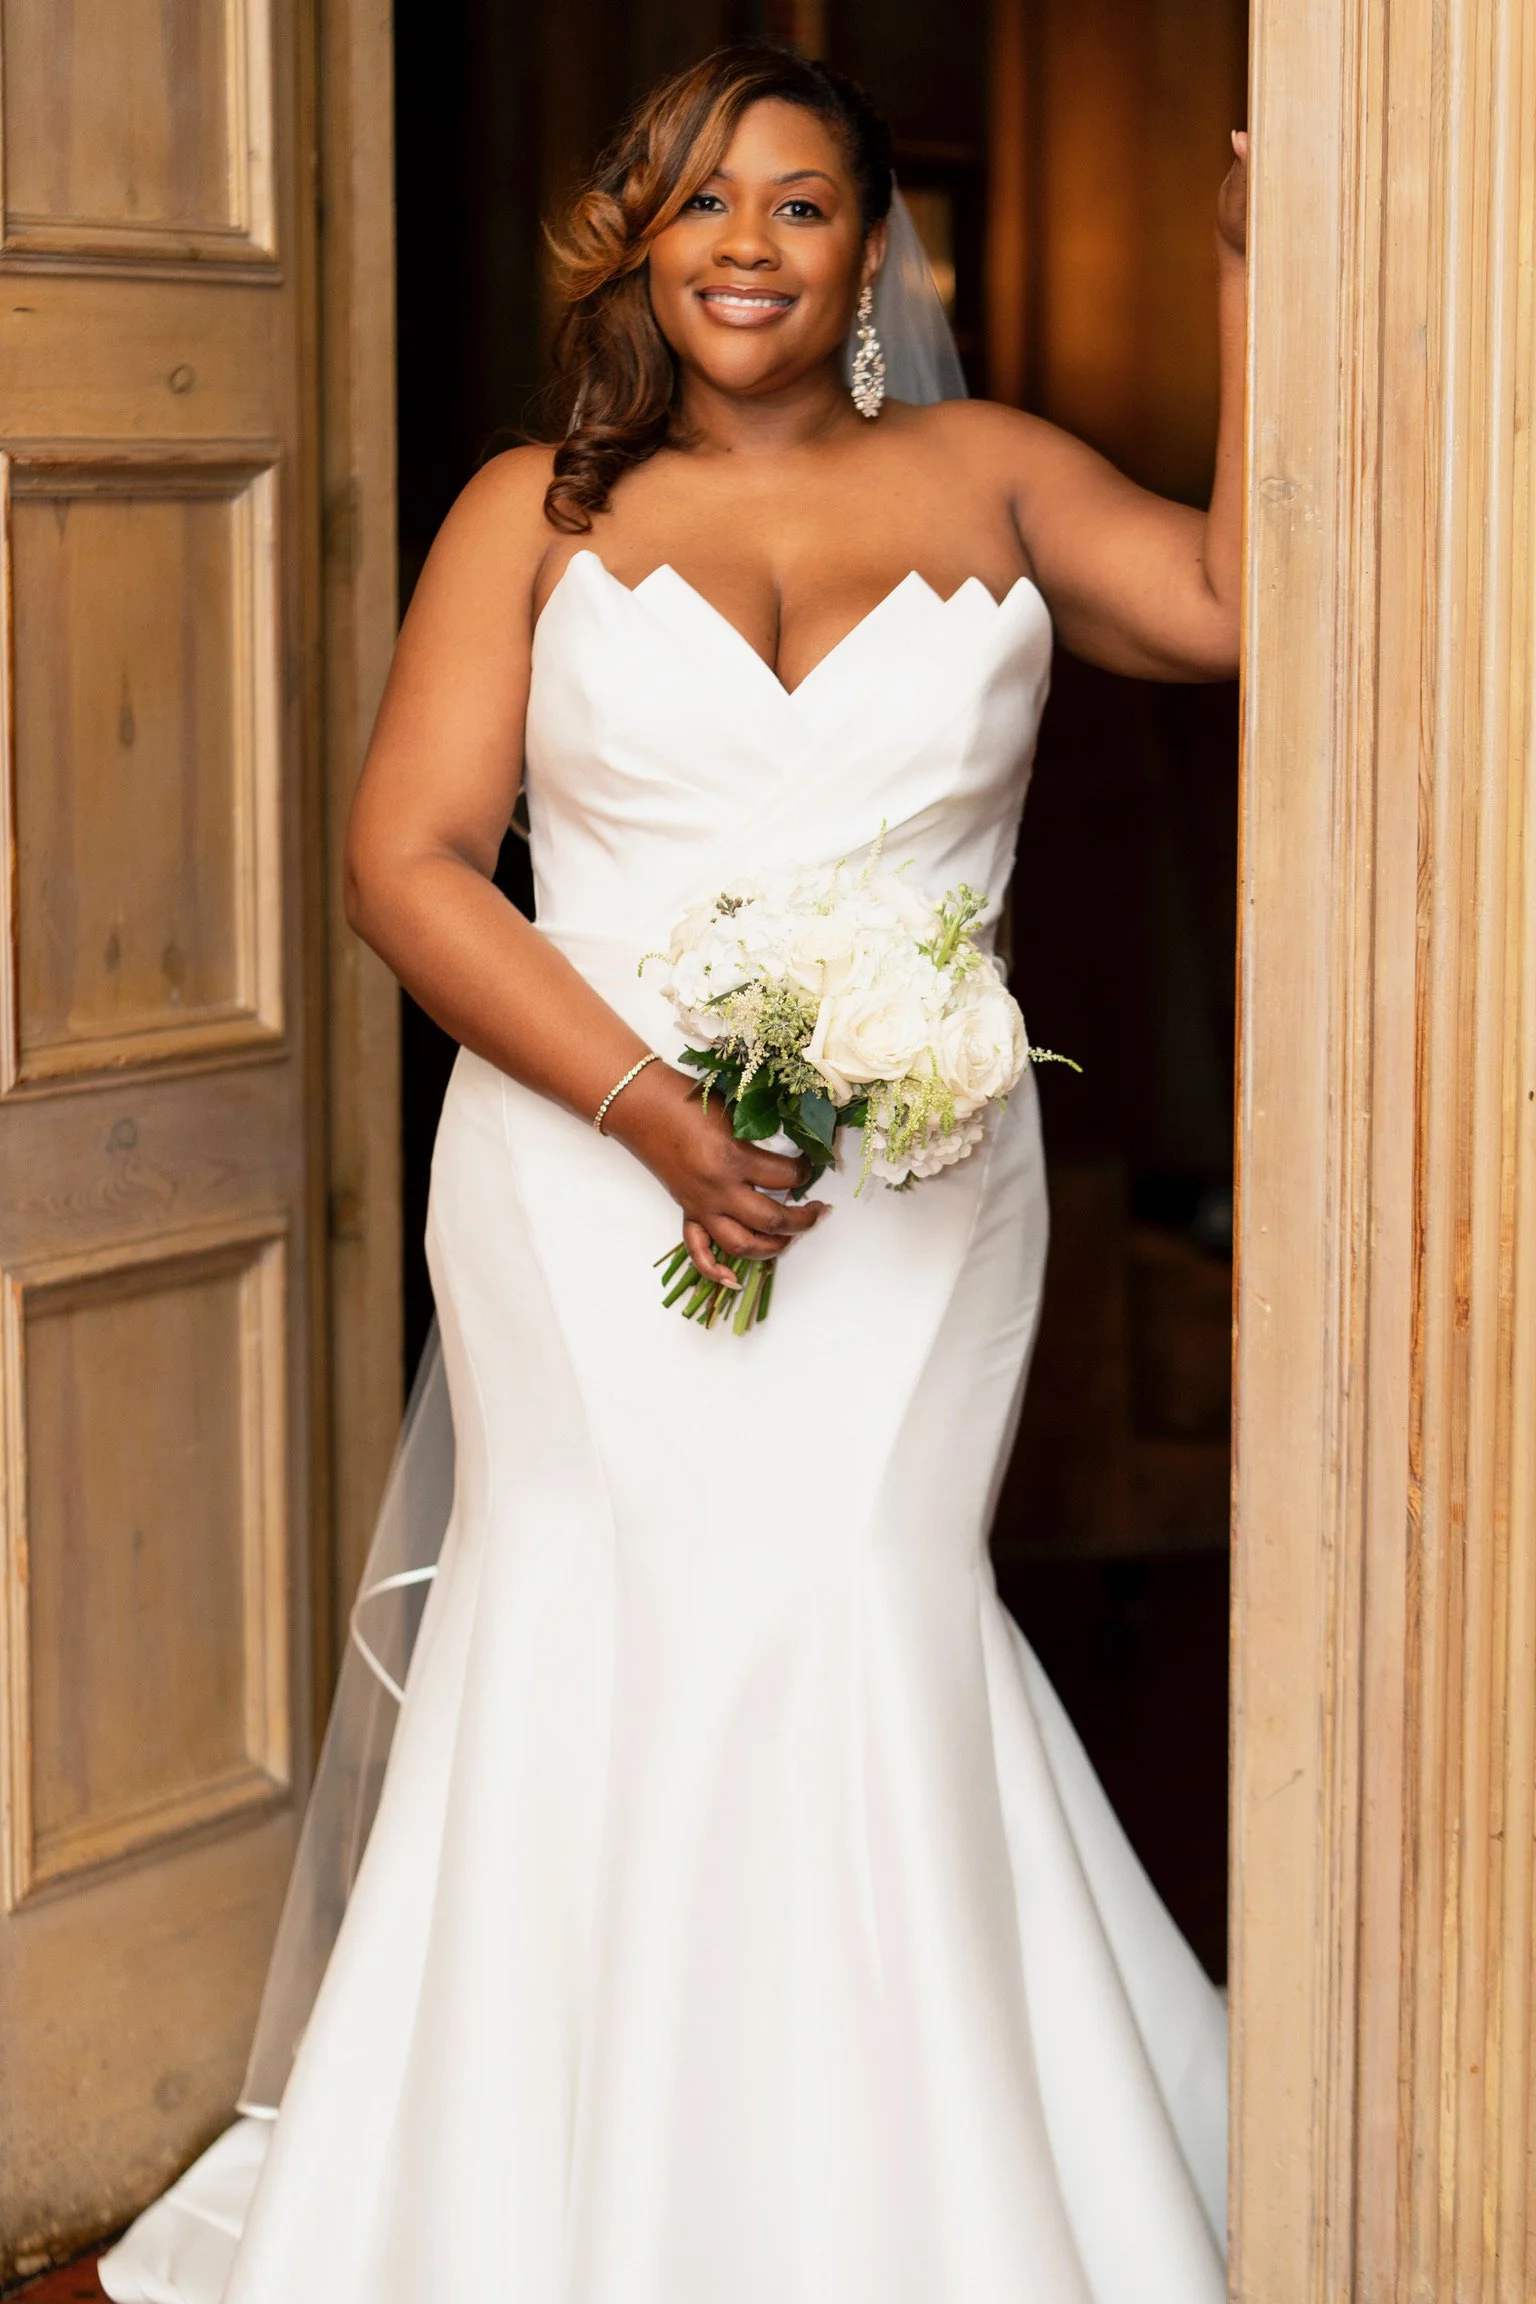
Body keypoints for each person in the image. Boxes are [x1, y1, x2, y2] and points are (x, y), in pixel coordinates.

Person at [101, 40, 1245, 2304]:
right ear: (634, 232)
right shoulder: (532, 509)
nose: (752, 245)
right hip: (581, 1171)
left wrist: (1248, 267)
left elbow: (1230, 605)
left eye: (804, 206)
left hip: (913, 1194)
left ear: (870, 251)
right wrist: (654, 1115)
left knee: (853, 1608)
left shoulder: (998, 472)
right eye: (707, 201)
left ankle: (910, 2204)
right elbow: (407, 866)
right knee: (599, 1631)